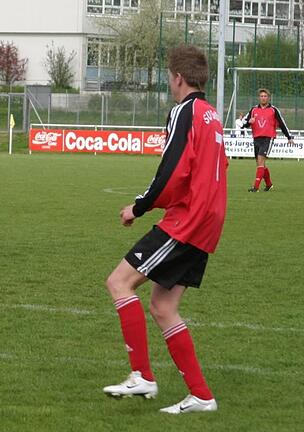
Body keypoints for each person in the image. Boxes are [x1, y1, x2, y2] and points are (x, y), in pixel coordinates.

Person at [102, 45, 226, 414]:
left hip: (187, 220)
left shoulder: (184, 111)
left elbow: (172, 170)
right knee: (163, 307)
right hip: (207, 220)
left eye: (169, 76)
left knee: (118, 282)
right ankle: (201, 396)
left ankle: (141, 376)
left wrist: (138, 207)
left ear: (177, 77)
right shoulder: (211, 114)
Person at [241, 88, 293, 192]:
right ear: (259, 98)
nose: (263, 98)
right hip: (256, 138)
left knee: (260, 161)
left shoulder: (273, 110)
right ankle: (269, 184)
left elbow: (282, 124)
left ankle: (255, 187)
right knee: (260, 164)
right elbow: (243, 124)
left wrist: (289, 137)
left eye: (265, 96)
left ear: (268, 98)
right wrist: (248, 122)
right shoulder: (253, 109)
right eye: (261, 96)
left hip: (268, 138)